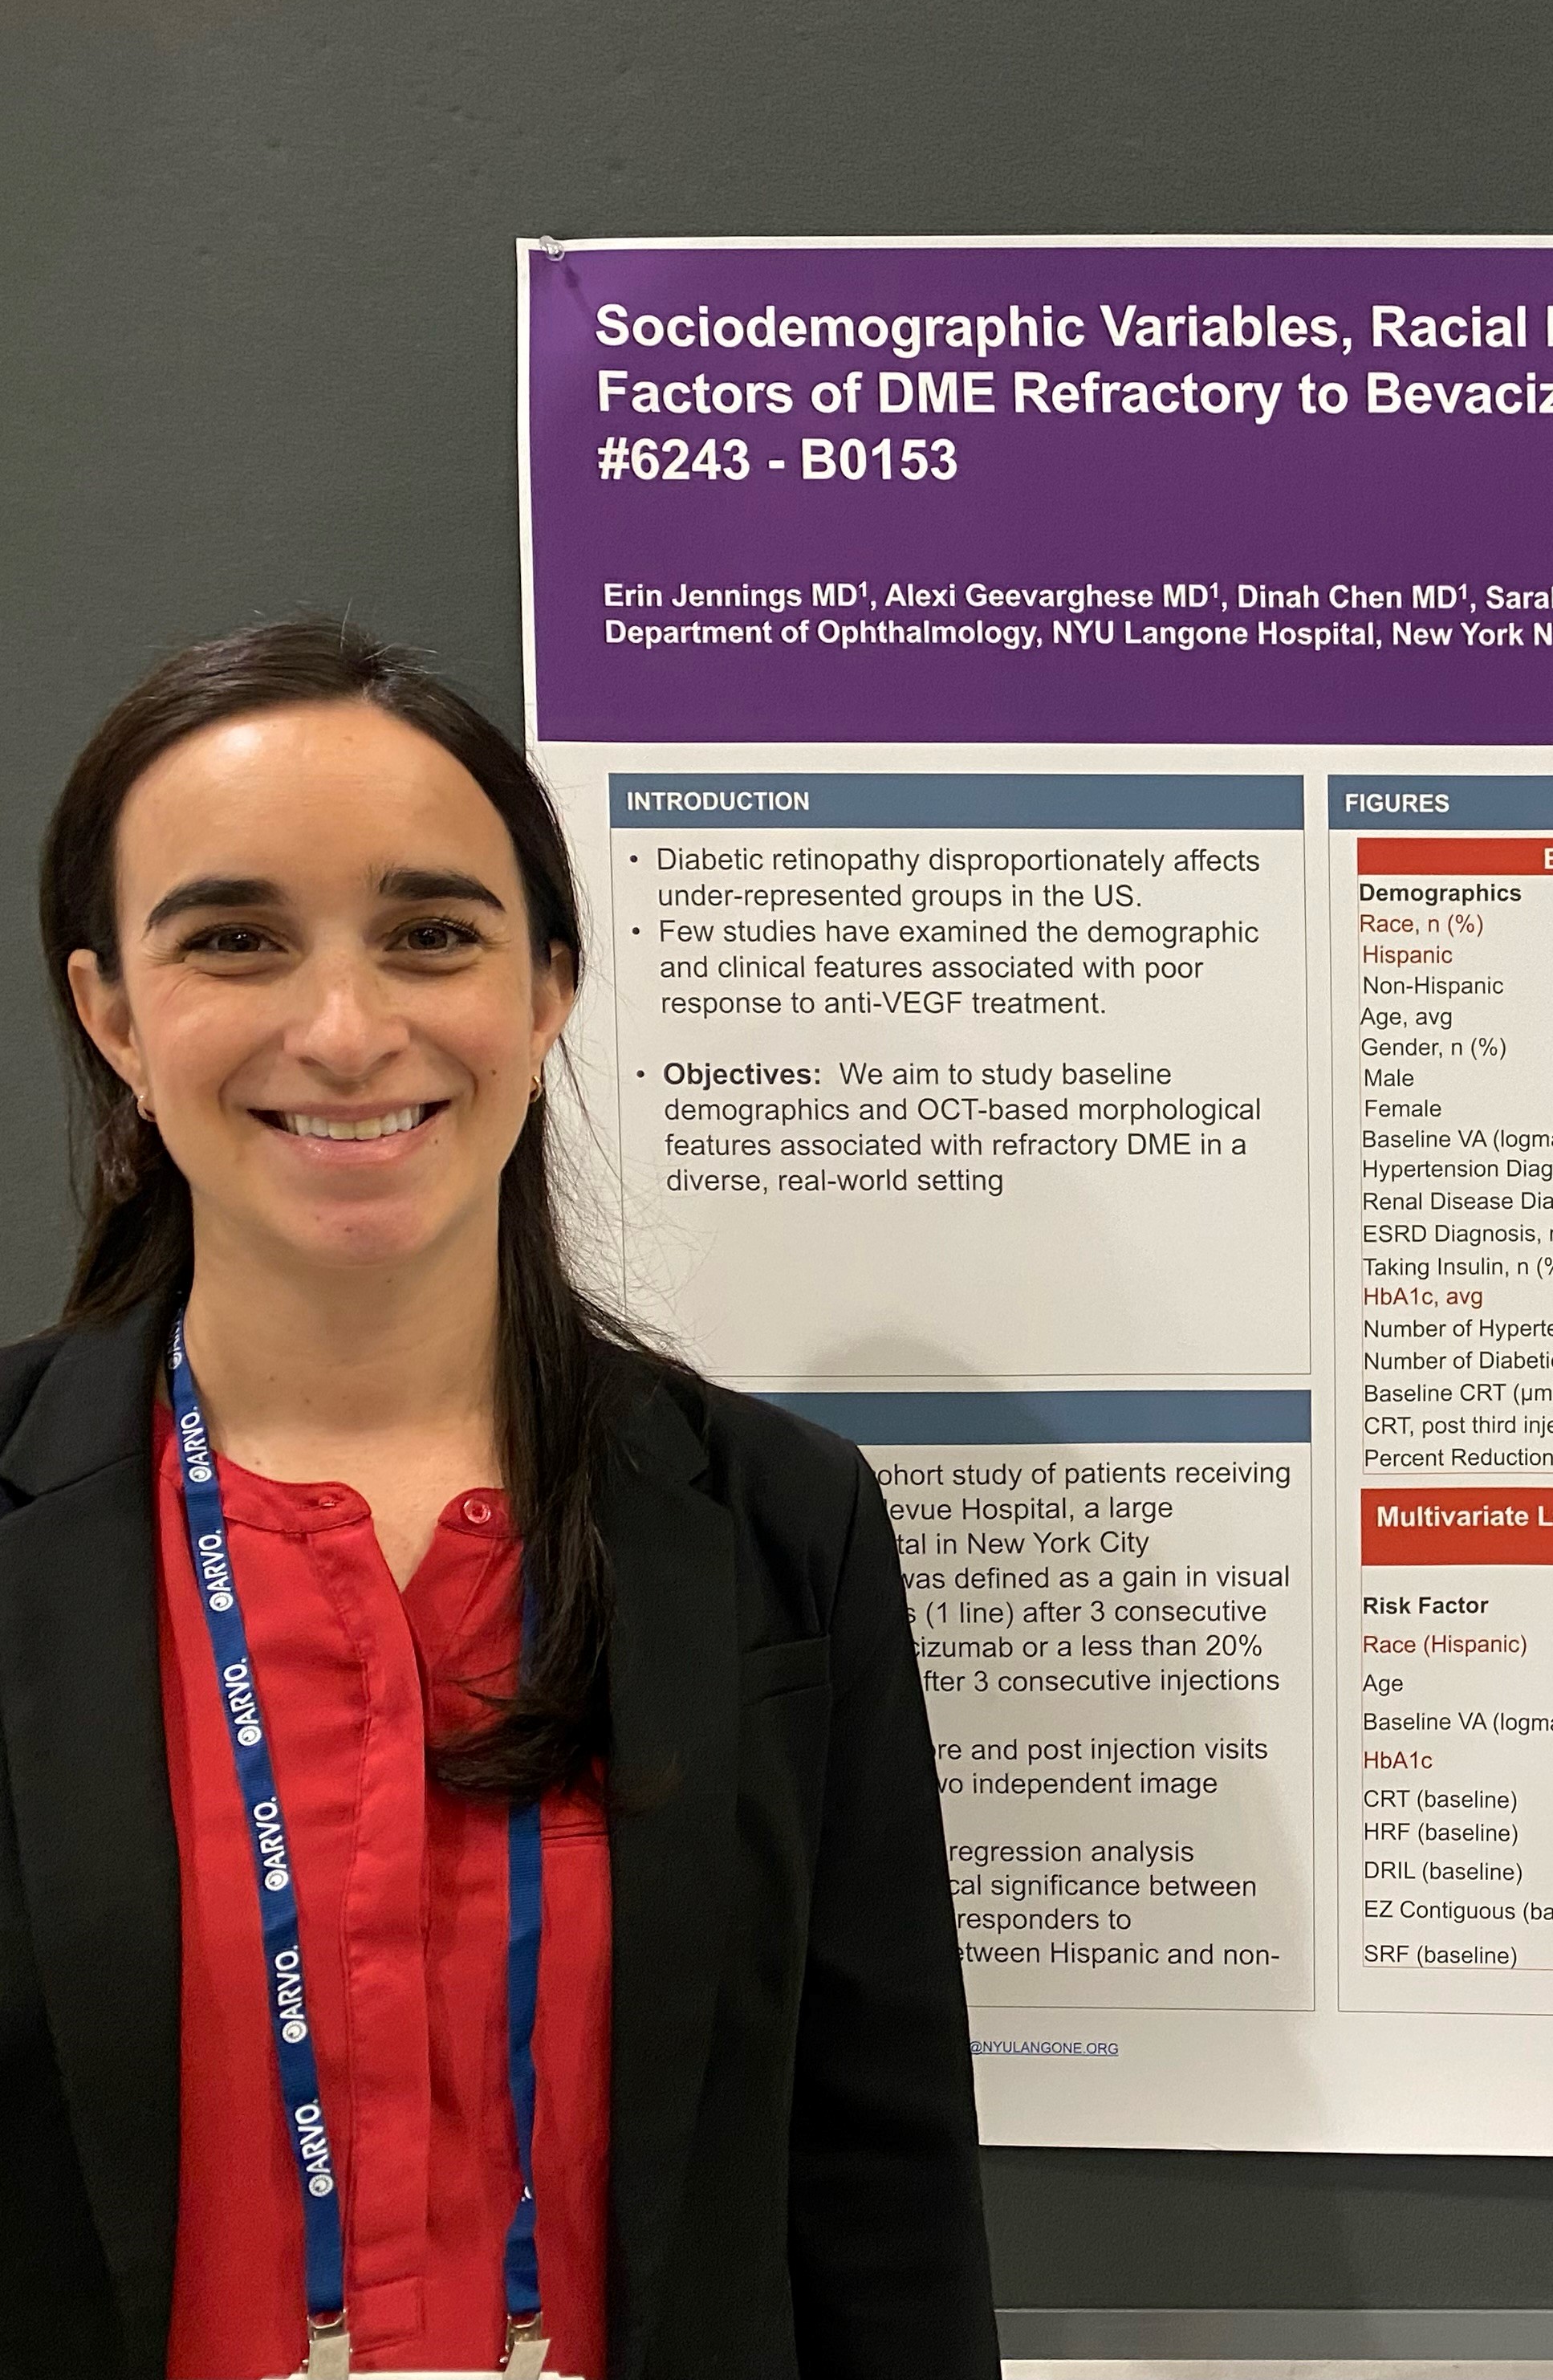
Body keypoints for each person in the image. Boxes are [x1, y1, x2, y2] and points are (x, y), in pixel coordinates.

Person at [0, 621, 1000, 2378]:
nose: (344, 1027)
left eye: (428, 936)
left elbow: (878, 2202)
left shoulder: (778, 1527)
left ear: (546, 988)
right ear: (112, 1014)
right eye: (234, 939)